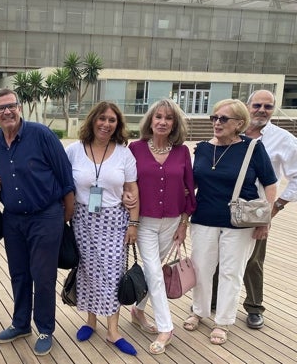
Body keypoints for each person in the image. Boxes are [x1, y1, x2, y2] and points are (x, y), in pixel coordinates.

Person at [0, 88, 74, 356]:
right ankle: (21, 323)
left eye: (11, 106)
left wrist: (63, 218)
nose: (7, 112)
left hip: (46, 216)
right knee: (19, 274)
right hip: (13, 219)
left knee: (43, 276)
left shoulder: (41, 135)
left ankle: (46, 328)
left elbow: (66, 179)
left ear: (20, 107)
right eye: (1, 108)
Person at [184, 99, 276, 345]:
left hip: (240, 223)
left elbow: (270, 183)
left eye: (223, 119)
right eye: (214, 117)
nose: (216, 123)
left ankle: (223, 322)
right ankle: (199, 311)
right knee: (202, 269)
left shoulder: (253, 148)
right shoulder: (202, 148)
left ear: (239, 123)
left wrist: (264, 221)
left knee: (230, 272)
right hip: (203, 218)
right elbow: (191, 183)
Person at [209, 90, 297, 329]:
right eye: (257, 105)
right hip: (221, 207)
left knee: (253, 261)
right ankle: (214, 299)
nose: (262, 110)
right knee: (218, 255)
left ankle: (254, 307)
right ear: (246, 108)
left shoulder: (283, 139)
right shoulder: (227, 132)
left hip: (255, 212)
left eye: (268, 106)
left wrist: (275, 207)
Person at [65, 101, 139, 356]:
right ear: (93, 120)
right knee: (86, 271)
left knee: (112, 275)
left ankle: (113, 330)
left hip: (113, 220)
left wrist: (133, 223)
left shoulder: (123, 153)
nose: (106, 124)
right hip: (82, 218)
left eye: (112, 120)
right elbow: (64, 184)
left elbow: (132, 190)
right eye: (102, 119)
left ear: (117, 125)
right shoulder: (74, 150)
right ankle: (90, 321)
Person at [127, 99, 196, 354]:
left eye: (168, 118)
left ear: (174, 124)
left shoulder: (181, 152)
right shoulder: (135, 148)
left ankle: (138, 309)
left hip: (172, 221)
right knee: (155, 272)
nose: (163, 122)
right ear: (150, 120)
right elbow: (127, 183)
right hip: (144, 221)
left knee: (153, 271)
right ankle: (167, 327)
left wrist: (184, 223)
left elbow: (189, 188)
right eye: (159, 117)